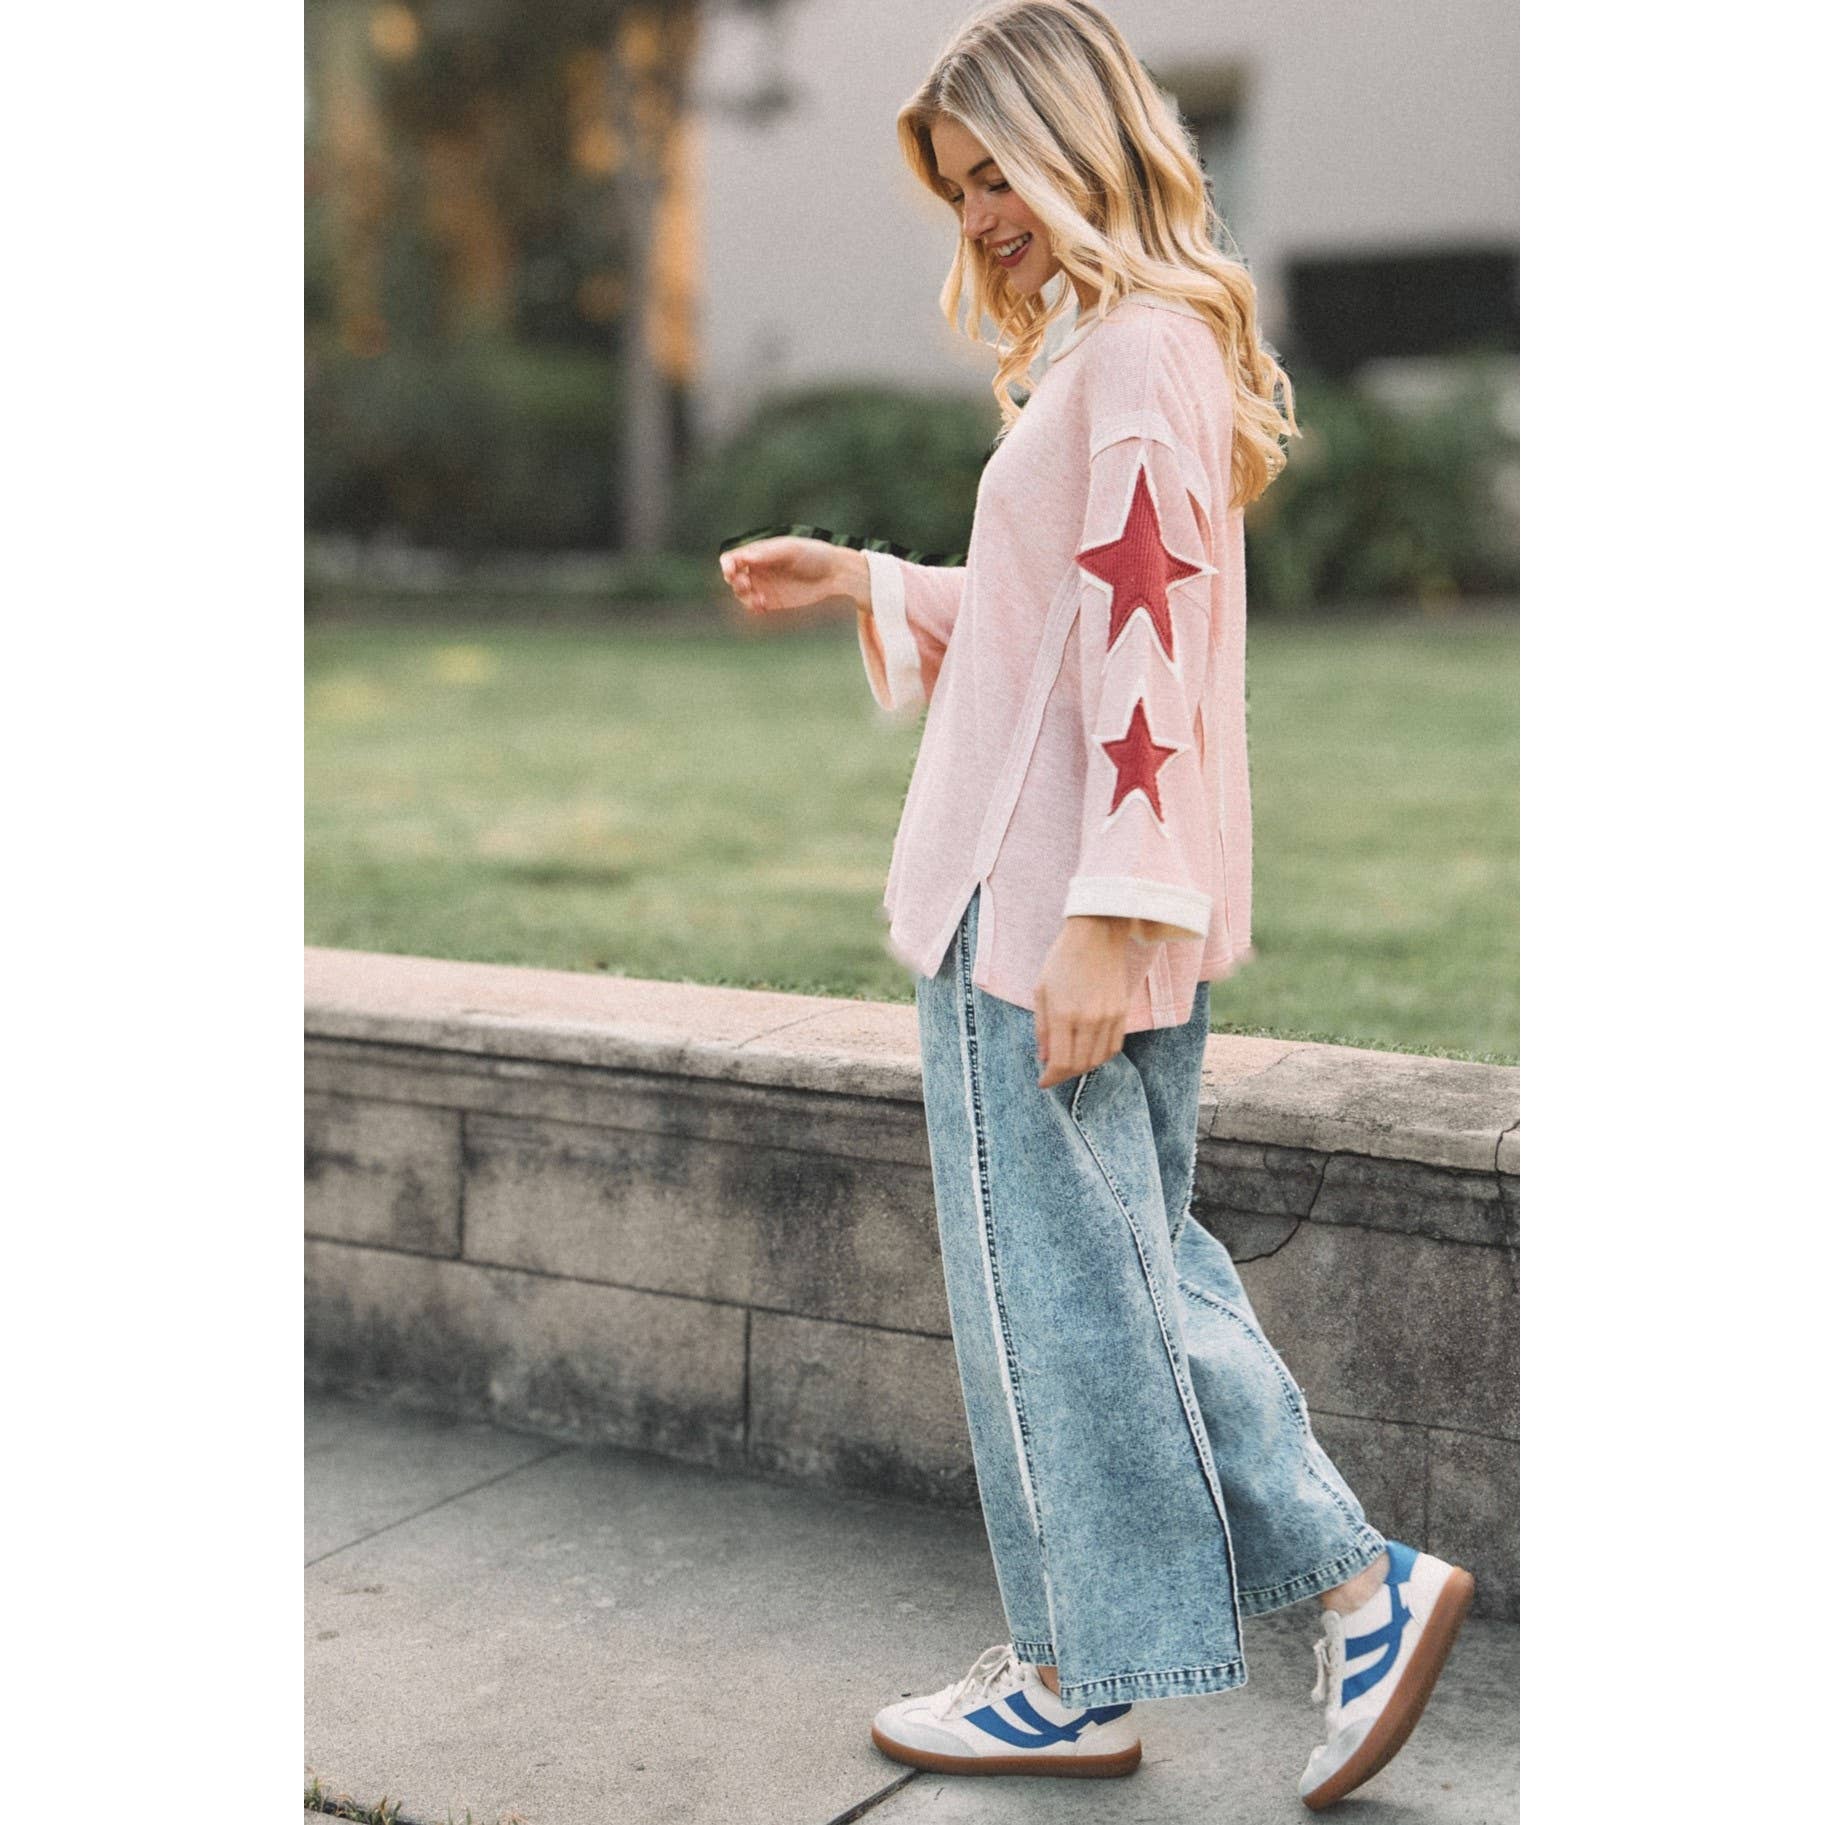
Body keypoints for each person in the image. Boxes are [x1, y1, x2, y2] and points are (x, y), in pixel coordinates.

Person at [718, 2, 1474, 1809]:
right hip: (1082, 889)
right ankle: (1087, 1665)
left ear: (1086, 138)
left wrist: (1102, 911)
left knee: (1056, 1290)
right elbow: (1071, 622)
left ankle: (1338, 1591)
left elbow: (1141, 650)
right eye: (960, 187)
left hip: (1043, 904)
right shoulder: (1133, 347)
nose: (980, 214)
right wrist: (875, 581)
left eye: (1002, 172)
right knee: (1126, 1270)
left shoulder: (1130, 353)